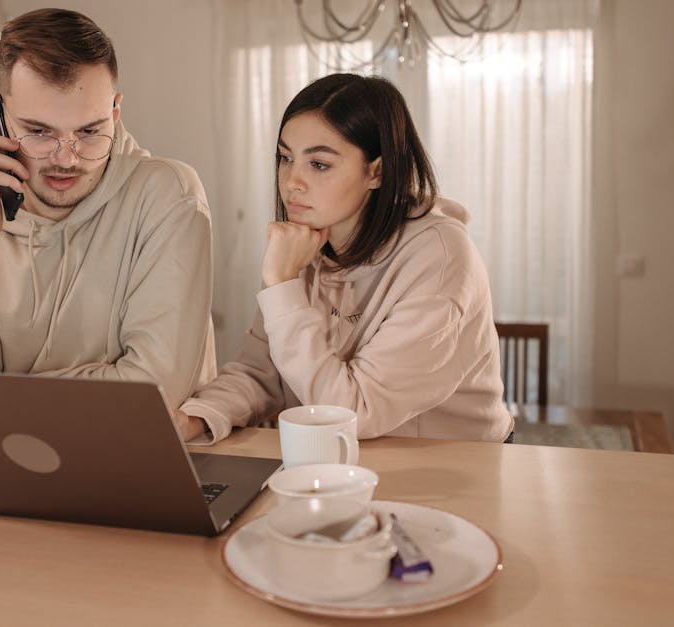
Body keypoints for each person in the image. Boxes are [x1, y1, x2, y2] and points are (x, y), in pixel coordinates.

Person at [0, 8, 216, 409]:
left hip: (130, 466)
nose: (67, 159)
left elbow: (152, 391)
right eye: (39, 132)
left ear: (115, 112)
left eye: (90, 131)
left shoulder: (168, 198)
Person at [175, 73, 512, 443]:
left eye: (318, 164)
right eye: (286, 158)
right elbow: (261, 372)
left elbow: (353, 413)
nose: (291, 182)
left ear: (377, 171)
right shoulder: (304, 244)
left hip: (458, 470)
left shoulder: (441, 257)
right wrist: (196, 418)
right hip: (345, 462)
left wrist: (283, 285)